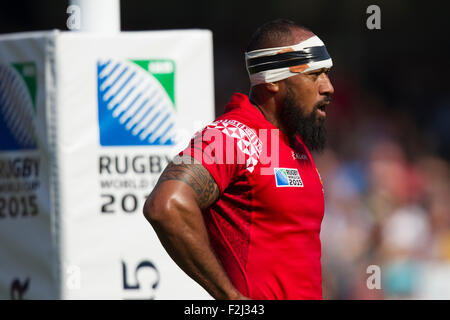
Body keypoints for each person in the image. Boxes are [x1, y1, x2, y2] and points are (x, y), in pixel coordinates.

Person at [143, 19, 334, 300]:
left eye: (327, 74)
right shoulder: (232, 136)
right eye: (313, 74)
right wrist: (231, 300)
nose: (328, 87)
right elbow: (165, 205)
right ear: (273, 82)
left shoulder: (295, 143)